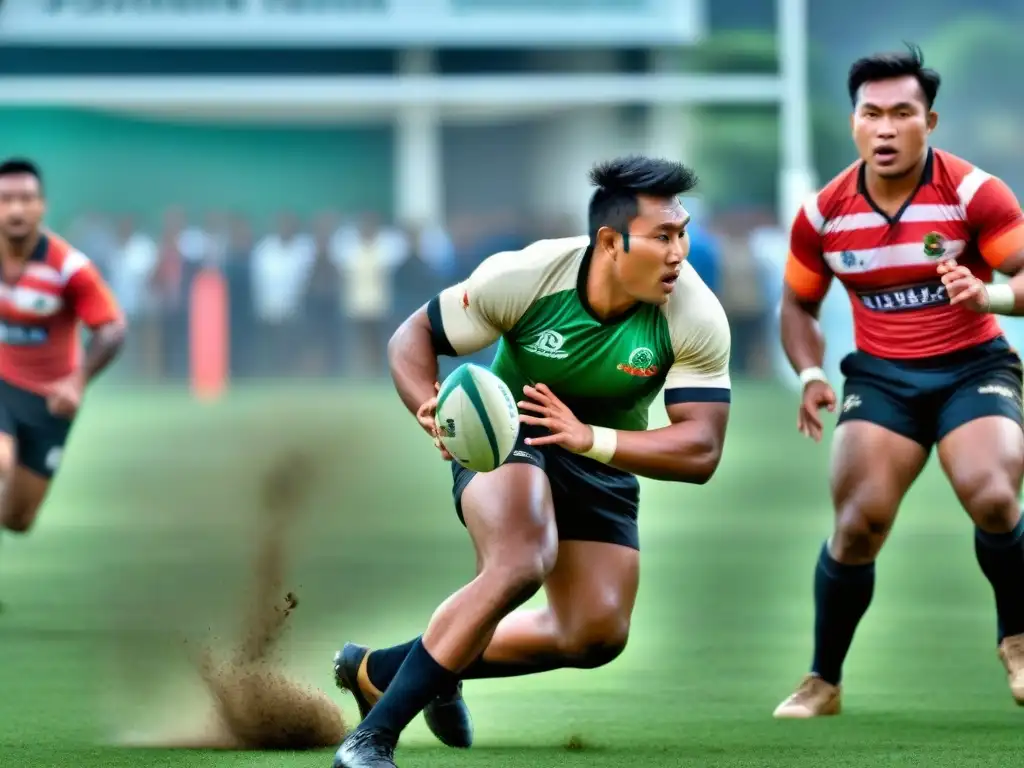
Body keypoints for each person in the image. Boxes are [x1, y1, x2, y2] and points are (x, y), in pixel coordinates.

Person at [331, 156, 733, 768]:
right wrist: (428, 405)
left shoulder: (694, 314)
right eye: (662, 237)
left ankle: (384, 669)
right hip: (507, 437)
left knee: (595, 634)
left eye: (681, 233)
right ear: (610, 242)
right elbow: (412, 336)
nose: (680, 252)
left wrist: (586, 437)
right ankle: (372, 738)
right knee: (521, 561)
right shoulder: (526, 275)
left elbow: (701, 449)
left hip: (598, 454)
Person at [774, 45, 1024, 719]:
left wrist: (989, 298)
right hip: (882, 380)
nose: (886, 128)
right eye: (871, 113)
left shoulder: (973, 193)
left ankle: (1018, 638)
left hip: (974, 367)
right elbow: (797, 304)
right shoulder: (823, 213)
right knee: (857, 527)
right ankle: (823, 681)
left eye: (902, 113)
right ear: (854, 122)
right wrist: (809, 372)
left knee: (995, 496)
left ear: (930, 121)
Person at [0, 159, 126, 573]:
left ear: (42, 206)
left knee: (19, 519)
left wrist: (78, 381)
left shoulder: (69, 268)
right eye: (5, 200)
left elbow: (111, 330)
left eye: (25, 199)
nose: (16, 210)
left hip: (50, 400)